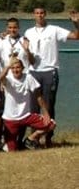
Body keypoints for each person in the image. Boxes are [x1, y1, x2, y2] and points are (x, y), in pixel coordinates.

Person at [22, 8, 79, 146]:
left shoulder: (54, 29)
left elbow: (76, 36)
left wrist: (76, 23)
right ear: (33, 15)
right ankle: (33, 138)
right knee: (33, 107)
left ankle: (48, 138)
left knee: (48, 105)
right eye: (37, 13)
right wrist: (27, 51)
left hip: (50, 71)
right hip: (33, 72)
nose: (39, 15)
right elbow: (29, 59)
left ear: (45, 14)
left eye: (42, 13)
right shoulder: (28, 32)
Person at [0, 56, 55, 152]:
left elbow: (39, 96)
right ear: (10, 69)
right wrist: (8, 65)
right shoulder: (8, 80)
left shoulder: (28, 78)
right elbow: (0, 77)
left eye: (18, 67)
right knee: (12, 150)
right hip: (10, 119)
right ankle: (9, 144)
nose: (16, 70)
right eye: (13, 68)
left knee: (51, 124)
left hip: (26, 116)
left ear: (22, 68)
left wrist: (45, 113)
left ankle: (30, 140)